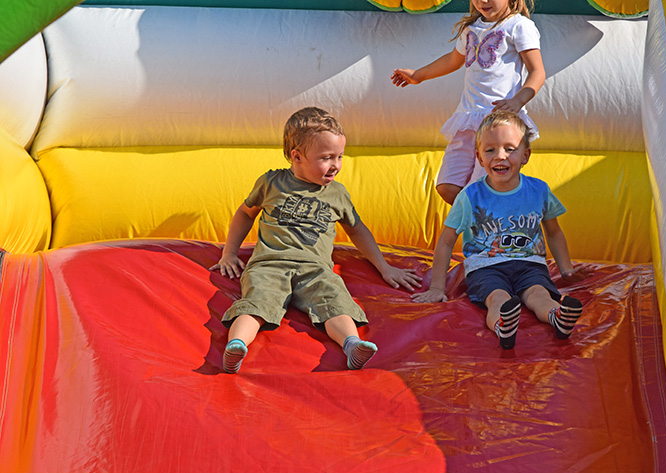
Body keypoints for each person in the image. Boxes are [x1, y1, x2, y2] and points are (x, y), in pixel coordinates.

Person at [211, 107, 422, 373]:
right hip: (269, 263)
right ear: (297, 156)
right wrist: (229, 253)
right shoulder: (272, 182)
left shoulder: (336, 193)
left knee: (334, 299)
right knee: (258, 301)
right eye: (326, 157)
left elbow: (357, 230)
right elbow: (245, 213)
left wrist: (385, 267)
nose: (336, 165)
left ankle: (352, 343)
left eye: (340, 156)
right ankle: (237, 345)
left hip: (316, 269)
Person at [411, 111, 583, 349]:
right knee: (498, 297)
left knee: (538, 294)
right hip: (486, 266)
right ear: (479, 158)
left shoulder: (539, 190)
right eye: (490, 150)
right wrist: (437, 287)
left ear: (526, 155)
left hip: (530, 263)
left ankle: (558, 317)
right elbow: (446, 240)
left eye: (509, 149)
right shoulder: (470, 196)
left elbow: (553, 231)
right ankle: (503, 324)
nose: (500, 156)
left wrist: (565, 267)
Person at [391, 0, 545, 205]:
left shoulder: (518, 25)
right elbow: (453, 60)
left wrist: (518, 100)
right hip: (468, 119)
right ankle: (484, 219)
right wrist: (418, 75)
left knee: (483, 188)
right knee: (448, 186)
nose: (483, 1)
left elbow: (538, 71)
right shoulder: (471, 28)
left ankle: (489, 228)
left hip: (498, 124)